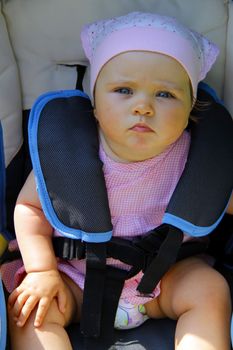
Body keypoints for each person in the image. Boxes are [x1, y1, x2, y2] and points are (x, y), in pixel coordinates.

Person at [3, 11, 233, 350]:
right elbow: (29, 209)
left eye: (165, 95)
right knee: (31, 309)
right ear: (94, 103)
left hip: (165, 277)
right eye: (124, 90)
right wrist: (41, 270)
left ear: (190, 109)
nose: (143, 106)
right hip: (73, 277)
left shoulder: (197, 157)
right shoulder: (68, 153)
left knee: (210, 290)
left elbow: (221, 200)